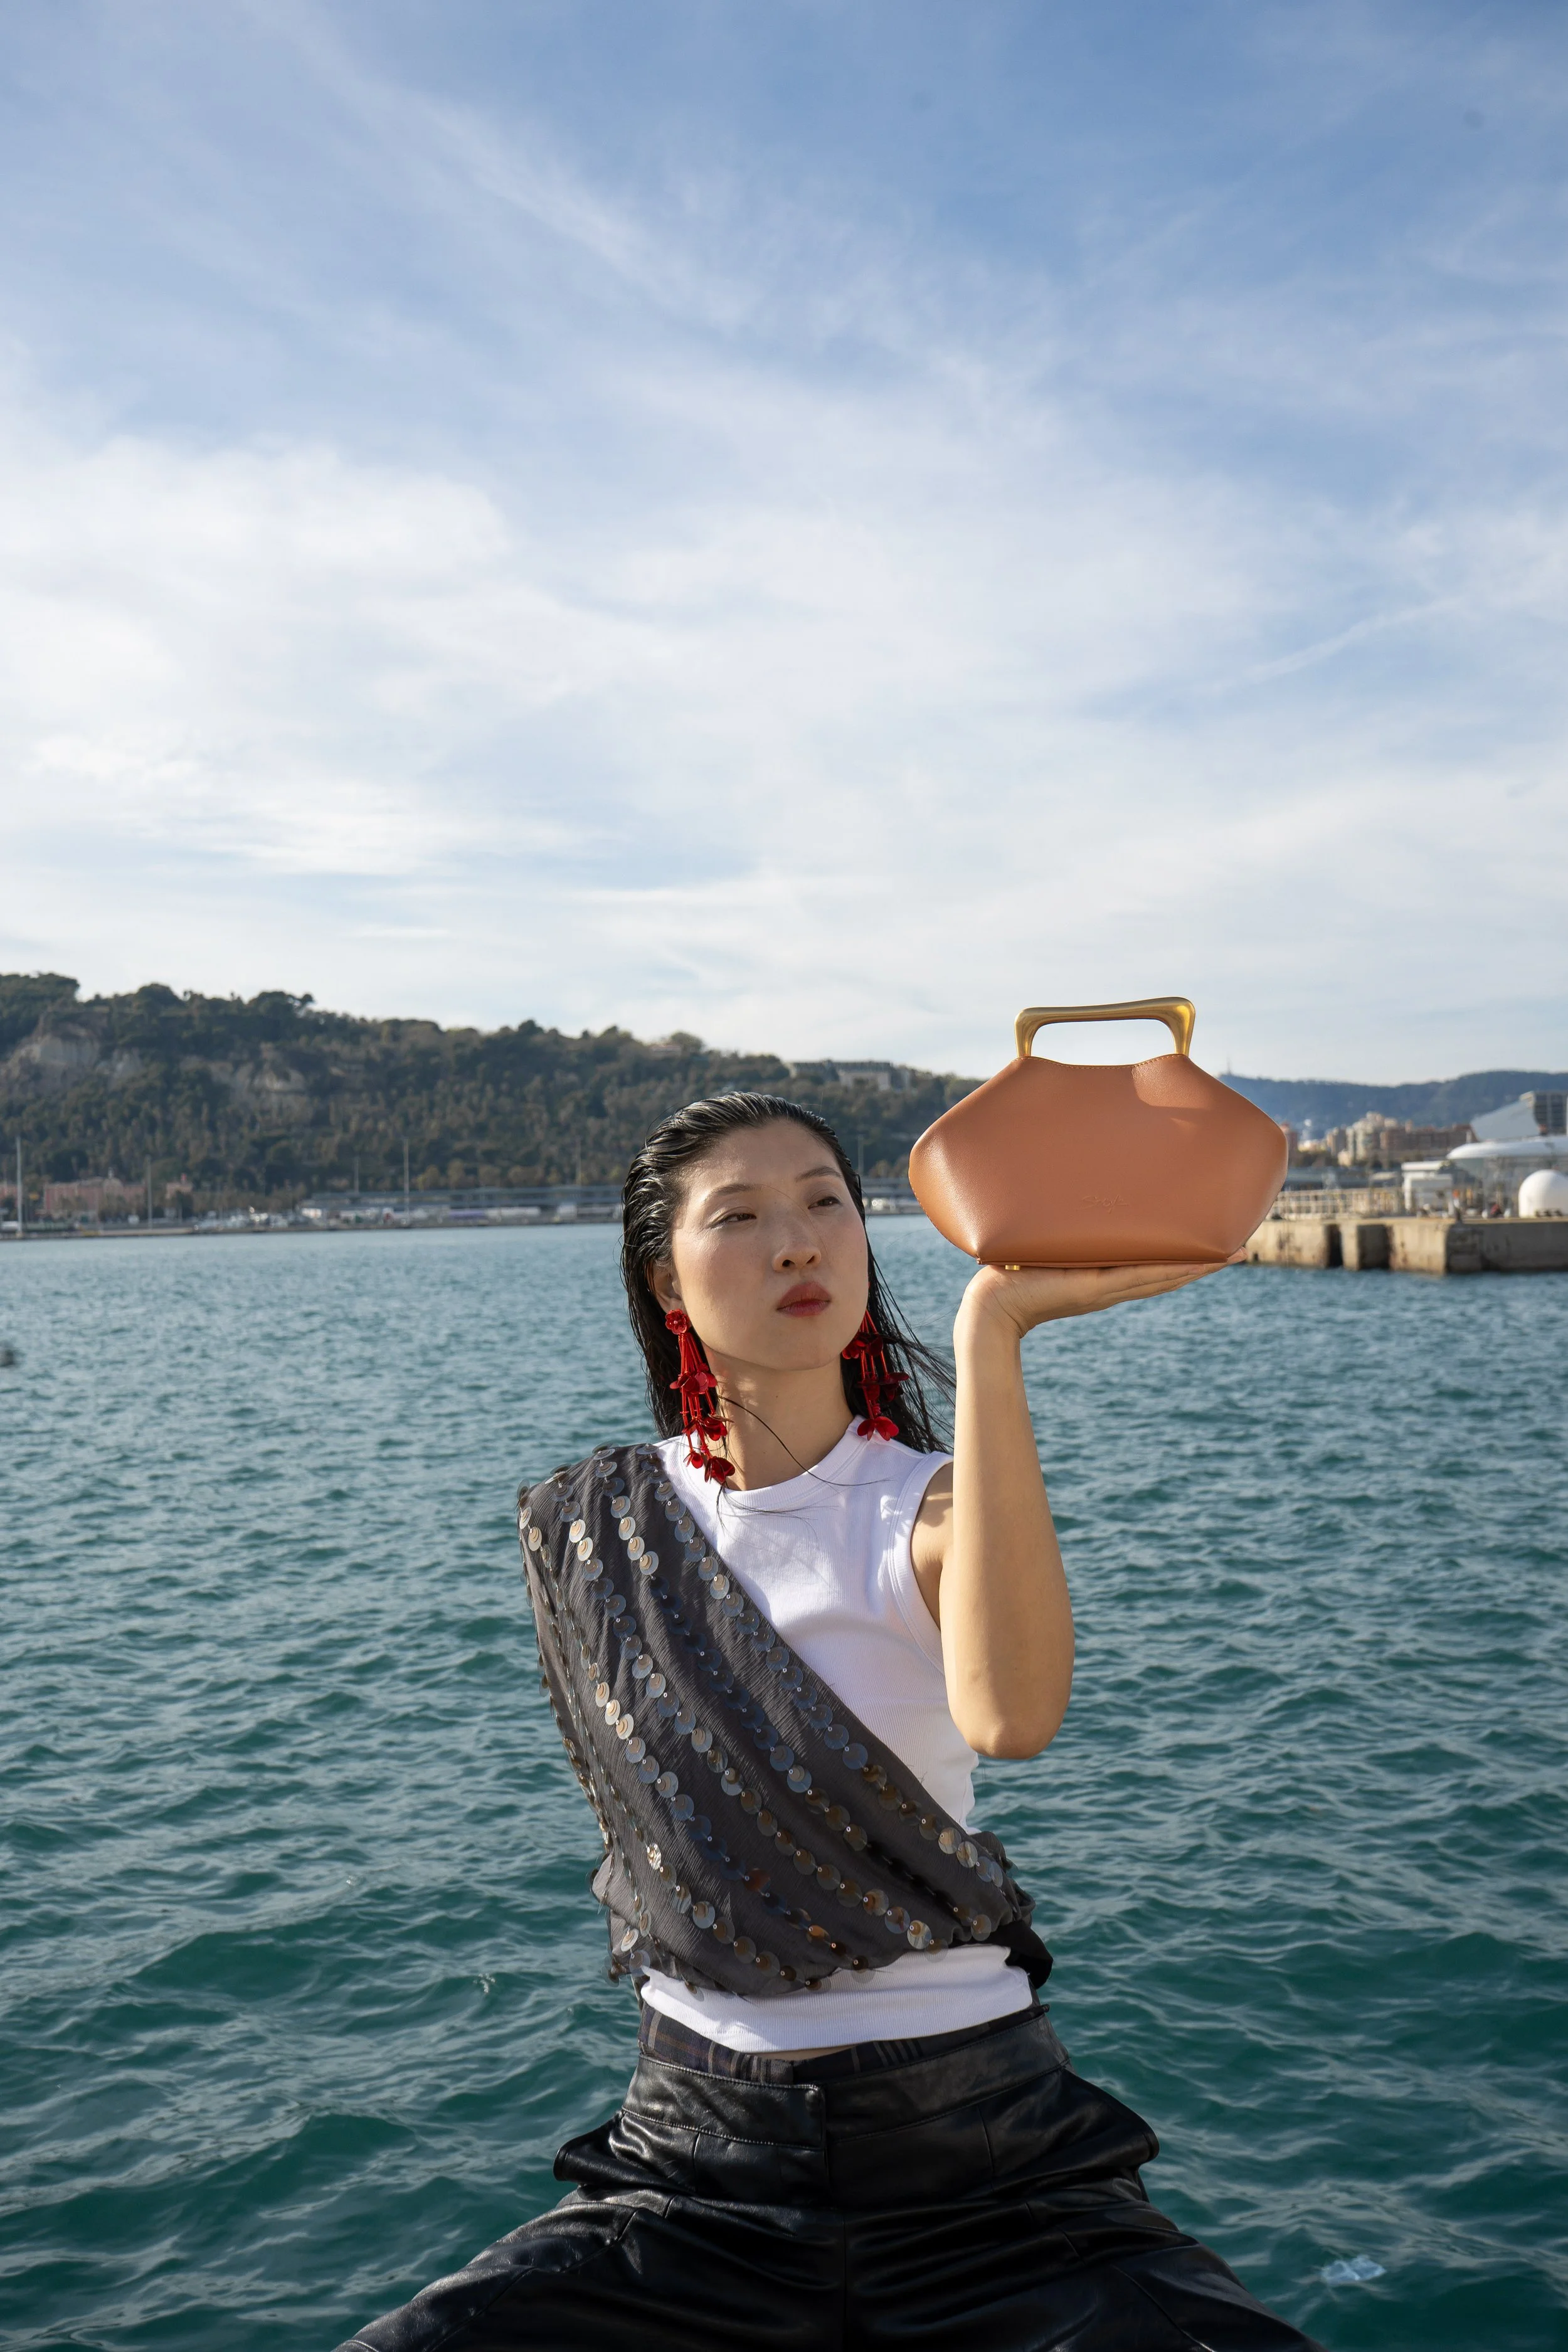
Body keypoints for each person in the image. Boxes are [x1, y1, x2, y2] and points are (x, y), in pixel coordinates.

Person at [338, 1093, 1322, 2352]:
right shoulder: (593, 1523)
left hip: (983, 2160)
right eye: (739, 1217)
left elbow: (1012, 1716)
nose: (796, 1242)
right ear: (667, 1282)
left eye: (822, 1203)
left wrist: (995, 1331)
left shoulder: (933, 1512)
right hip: (690, 2169)